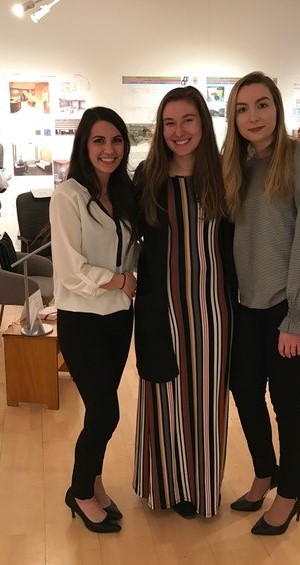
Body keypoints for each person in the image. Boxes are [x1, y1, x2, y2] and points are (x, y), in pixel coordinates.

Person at [221, 71, 300, 536]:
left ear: (277, 108)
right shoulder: (238, 165)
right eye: (242, 108)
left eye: (262, 104)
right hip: (251, 305)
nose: (253, 116)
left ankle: (291, 492)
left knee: (288, 402)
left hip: (296, 305)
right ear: (233, 116)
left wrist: (297, 316)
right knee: (244, 388)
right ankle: (265, 471)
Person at [132, 86, 235, 519]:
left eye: (188, 120)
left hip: (216, 311)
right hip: (163, 308)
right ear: (161, 128)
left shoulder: (228, 176)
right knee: (165, 396)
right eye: (170, 122)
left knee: (208, 402)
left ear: (202, 123)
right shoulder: (147, 177)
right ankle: (163, 487)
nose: (179, 131)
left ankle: (199, 487)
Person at [50, 107, 140, 533]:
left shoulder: (123, 194)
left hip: (119, 320)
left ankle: (96, 482)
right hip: (82, 320)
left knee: (97, 411)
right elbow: (71, 270)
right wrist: (120, 279)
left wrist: (131, 280)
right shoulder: (68, 195)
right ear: (84, 145)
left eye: (116, 140)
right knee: (106, 413)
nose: (109, 150)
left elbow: (134, 251)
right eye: (99, 141)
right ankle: (80, 491)